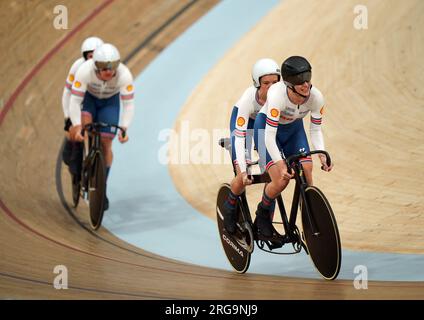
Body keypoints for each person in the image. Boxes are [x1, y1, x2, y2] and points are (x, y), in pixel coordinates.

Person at [253, 55, 333, 237]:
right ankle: (263, 213)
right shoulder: (276, 95)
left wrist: (322, 154)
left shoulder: (316, 97)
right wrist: (281, 164)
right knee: (281, 180)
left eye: (307, 78)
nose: (305, 85)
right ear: (289, 85)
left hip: (293, 130)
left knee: (307, 169)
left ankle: (309, 220)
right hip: (265, 129)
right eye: (299, 81)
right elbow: (270, 136)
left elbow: (315, 130)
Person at [68, 43, 135, 210]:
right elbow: (75, 101)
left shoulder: (124, 75)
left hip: (110, 103)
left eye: (112, 67)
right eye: (104, 67)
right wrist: (77, 126)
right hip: (89, 101)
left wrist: (125, 128)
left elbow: (128, 104)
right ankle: (81, 157)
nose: (109, 71)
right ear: (95, 66)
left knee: (106, 143)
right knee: (86, 128)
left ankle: (101, 186)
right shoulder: (84, 71)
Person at [222, 58, 280, 234]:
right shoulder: (249, 98)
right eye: (265, 83)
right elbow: (240, 136)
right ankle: (230, 207)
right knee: (244, 171)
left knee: (272, 173)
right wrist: (243, 169)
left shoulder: (280, 96)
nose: (270, 87)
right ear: (257, 83)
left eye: (274, 82)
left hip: (263, 128)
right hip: (245, 127)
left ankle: (265, 221)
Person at [62, 36, 104, 177]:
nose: (93, 59)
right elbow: (68, 92)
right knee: (76, 129)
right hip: (78, 100)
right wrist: (67, 116)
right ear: (85, 57)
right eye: (90, 56)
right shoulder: (77, 67)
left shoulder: (106, 67)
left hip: (93, 101)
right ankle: (71, 147)